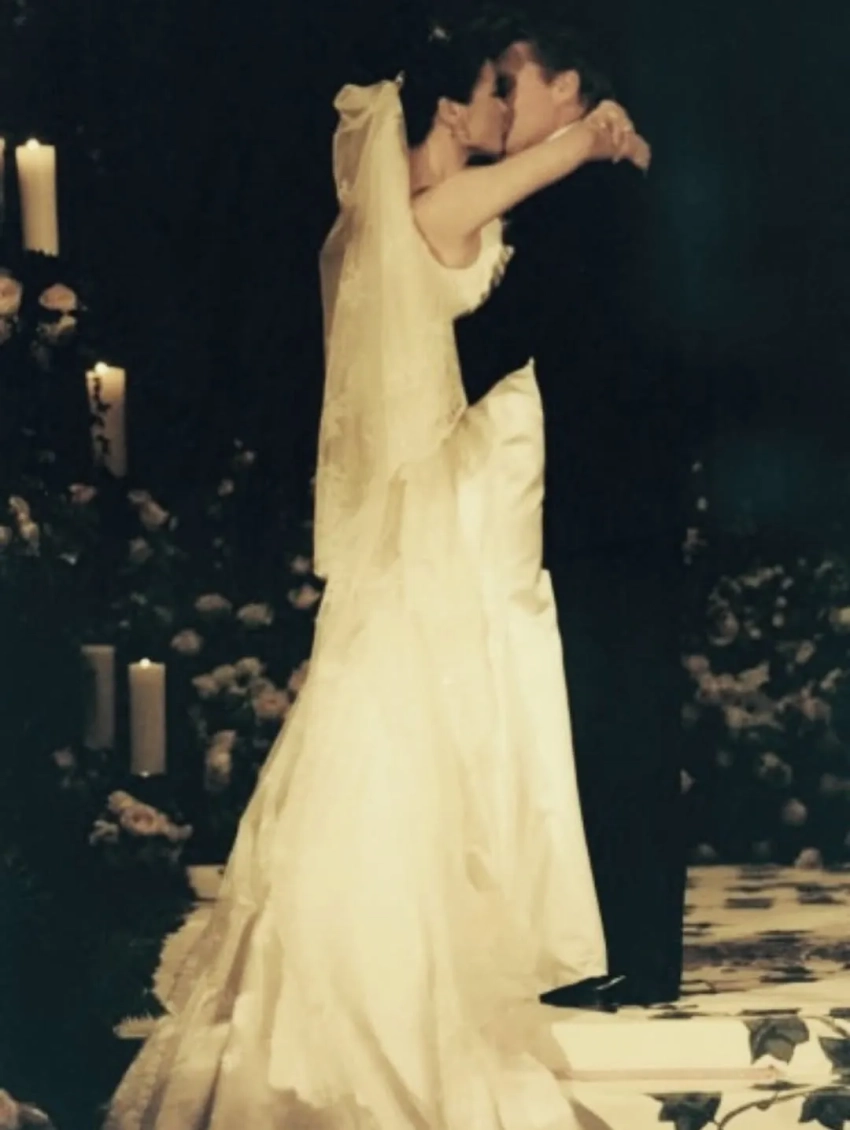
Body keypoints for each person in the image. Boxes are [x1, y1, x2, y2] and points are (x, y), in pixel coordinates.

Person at [104, 27, 649, 1130]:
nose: (506, 109)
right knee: (415, 743)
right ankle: (386, 993)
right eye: (495, 92)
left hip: (453, 513)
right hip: (447, 526)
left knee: (409, 736)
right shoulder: (435, 213)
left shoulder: (403, 212)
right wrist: (600, 134)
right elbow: (557, 160)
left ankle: (404, 968)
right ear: (450, 112)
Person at [456, 15, 688, 1008]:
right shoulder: (599, 182)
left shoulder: (583, 196)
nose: (503, 103)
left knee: (616, 720)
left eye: (514, 83)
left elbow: (498, 339)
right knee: (617, 716)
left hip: (606, 500)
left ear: (567, 89)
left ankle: (631, 952)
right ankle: (627, 945)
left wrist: (397, 368)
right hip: (623, 493)